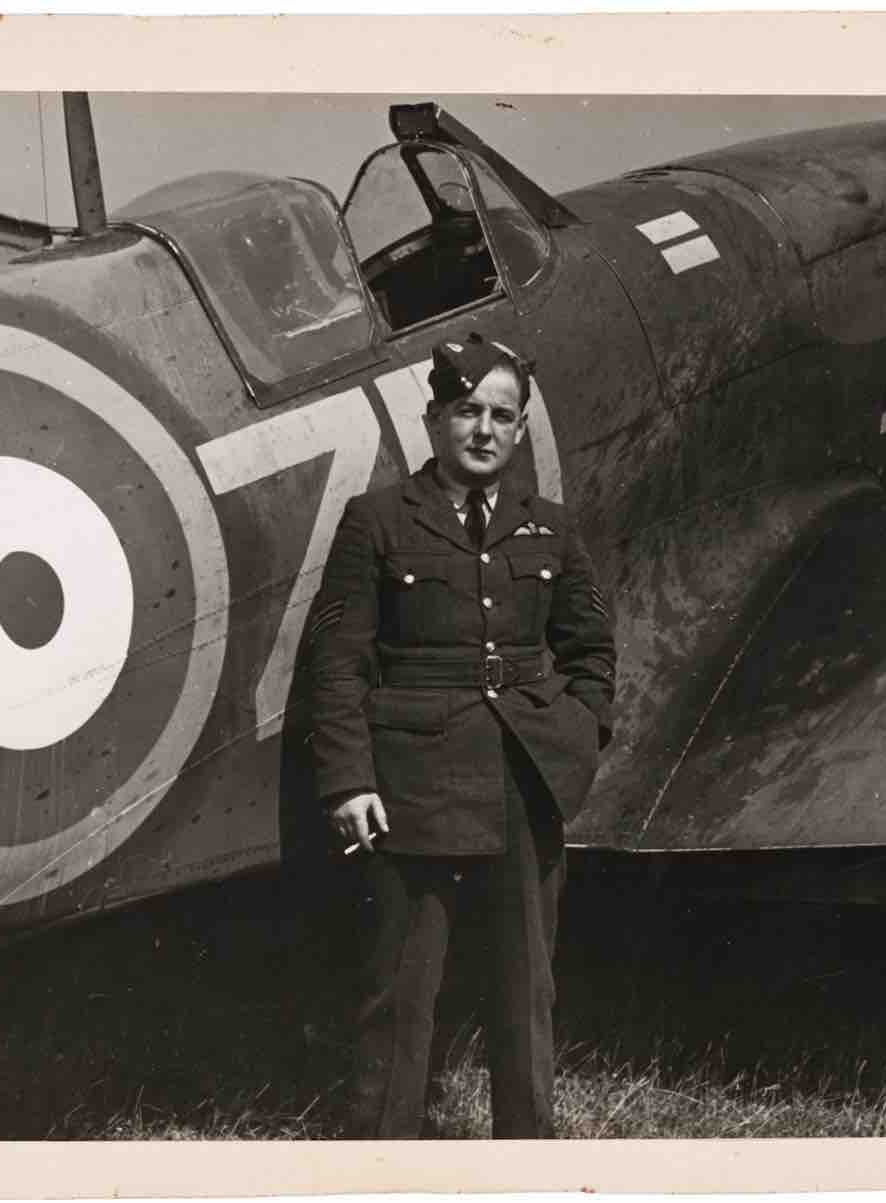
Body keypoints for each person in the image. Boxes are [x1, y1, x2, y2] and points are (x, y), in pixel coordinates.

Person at [306, 332, 617, 1139]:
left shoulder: (550, 528)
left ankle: (527, 1162)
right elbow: (338, 663)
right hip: (413, 787)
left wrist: (580, 732)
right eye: (468, 410)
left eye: (502, 416)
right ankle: (382, 1168)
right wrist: (349, 780)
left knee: (526, 989)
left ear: (518, 432)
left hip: (524, 780)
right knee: (401, 993)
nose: (485, 429)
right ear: (435, 419)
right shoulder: (375, 521)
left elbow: (590, 646)